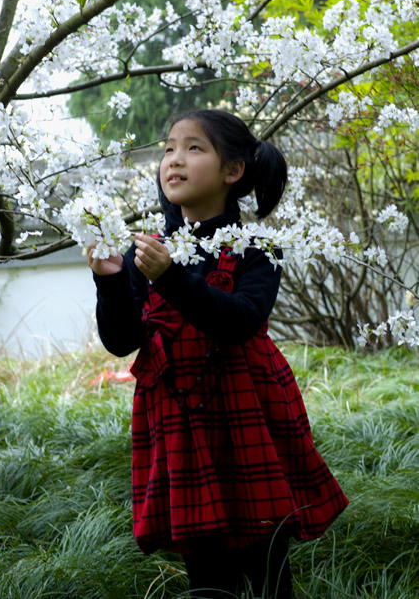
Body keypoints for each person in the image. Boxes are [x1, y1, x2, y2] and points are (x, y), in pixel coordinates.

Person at [87, 109, 349, 598]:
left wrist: (171, 277)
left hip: (246, 408)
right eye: (168, 148)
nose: (174, 160)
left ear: (233, 171)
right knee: (203, 563)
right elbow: (122, 340)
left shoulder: (256, 248)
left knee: (265, 554)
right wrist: (110, 280)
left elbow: (238, 320)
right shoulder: (149, 251)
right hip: (177, 414)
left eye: (193, 148)